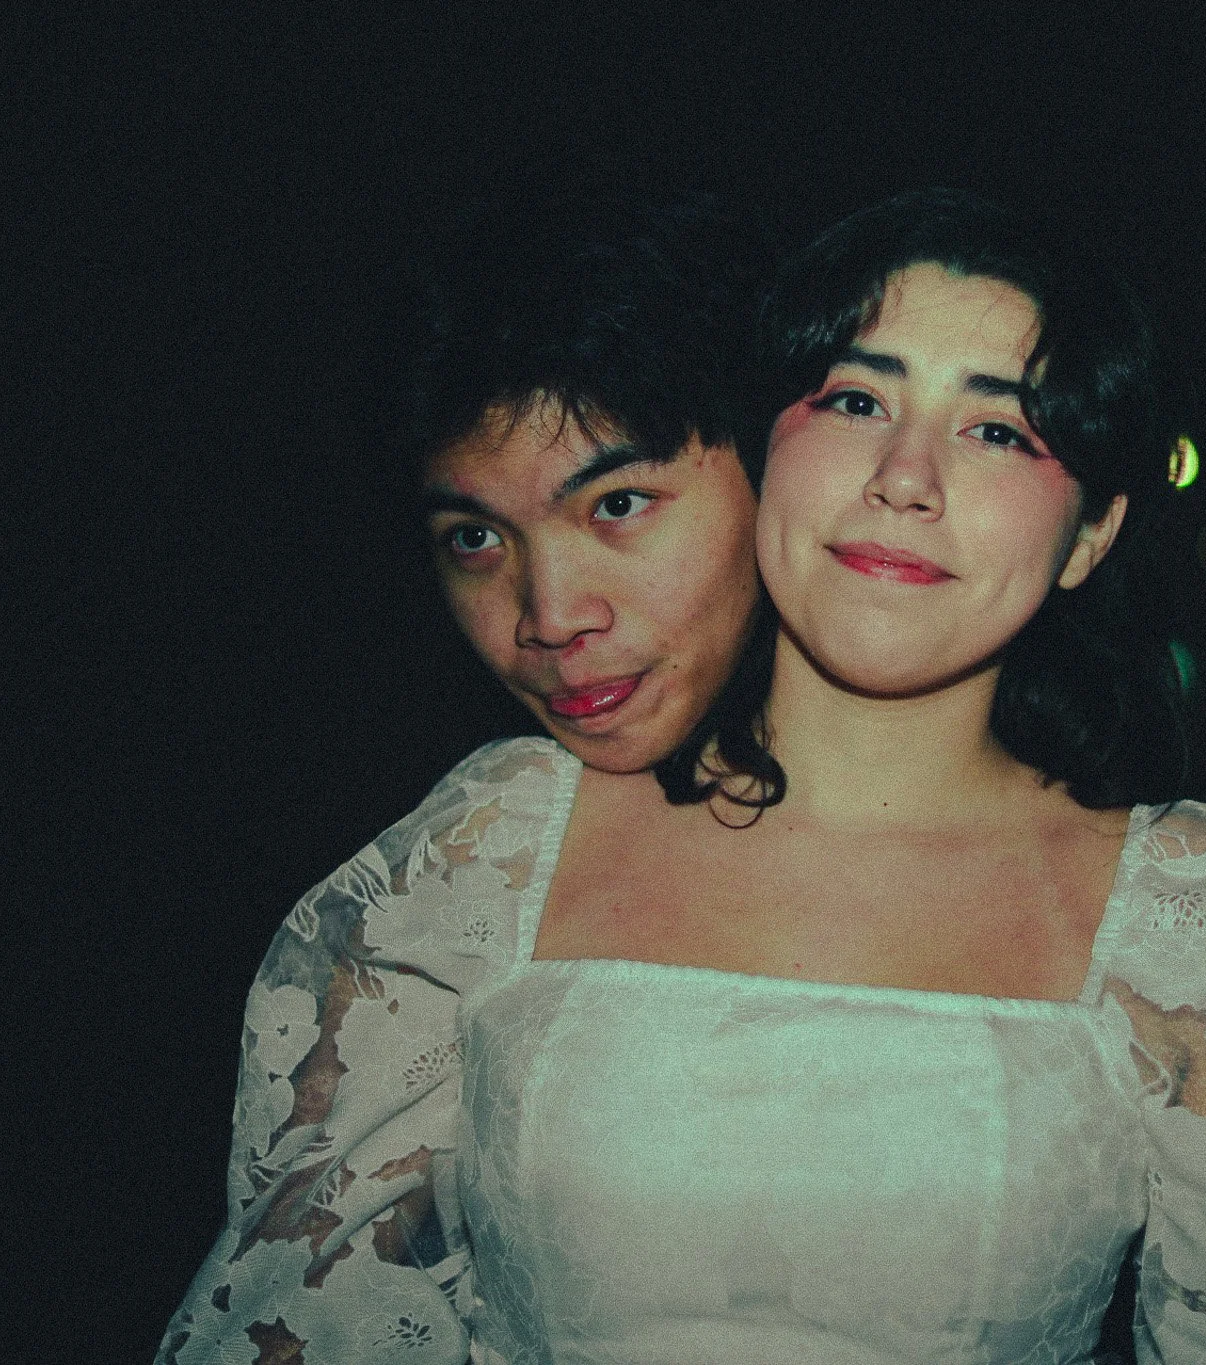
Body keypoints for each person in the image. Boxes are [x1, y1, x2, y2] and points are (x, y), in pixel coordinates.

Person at [166, 188, 1206, 1364]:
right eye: (853, 402)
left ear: (1091, 533)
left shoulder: (1188, 914)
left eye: (996, 430)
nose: (904, 479)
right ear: (763, 446)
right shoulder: (491, 851)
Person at [155, 187, 763, 1362]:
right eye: (474, 540)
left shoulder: (1098, 873)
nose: (548, 615)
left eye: (618, 504)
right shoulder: (476, 861)